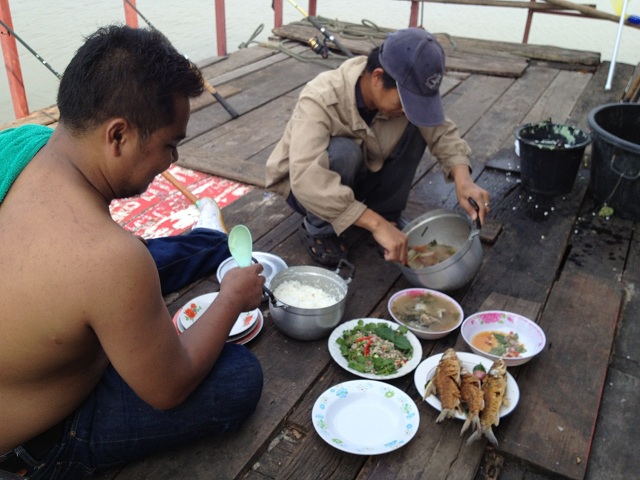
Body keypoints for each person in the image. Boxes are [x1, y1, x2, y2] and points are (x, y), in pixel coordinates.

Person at [0, 25, 264, 479]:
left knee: (148, 256)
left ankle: (210, 240)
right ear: (118, 135)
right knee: (239, 376)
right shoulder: (109, 258)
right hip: (35, 444)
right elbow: (170, 388)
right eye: (169, 144)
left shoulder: (18, 145)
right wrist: (232, 299)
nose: (173, 161)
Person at [265, 28, 491, 267]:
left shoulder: (402, 103)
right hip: (304, 189)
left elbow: (441, 130)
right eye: (405, 101)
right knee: (344, 152)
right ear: (377, 78)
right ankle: (319, 229)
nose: (406, 109)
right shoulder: (320, 96)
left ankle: (384, 214)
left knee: (418, 123)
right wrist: (375, 224)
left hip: (360, 177)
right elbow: (307, 181)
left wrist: (463, 178)